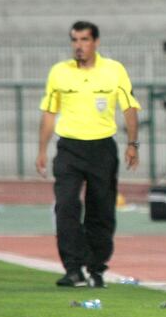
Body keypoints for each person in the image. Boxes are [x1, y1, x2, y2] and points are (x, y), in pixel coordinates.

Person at [36, 21, 141, 288]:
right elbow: (49, 112)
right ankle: (73, 269)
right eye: (74, 40)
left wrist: (132, 143)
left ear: (95, 42)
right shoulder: (59, 72)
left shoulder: (114, 70)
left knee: (101, 211)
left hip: (102, 148)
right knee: (66, 206)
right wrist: (42, 150)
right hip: (69, 148)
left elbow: (129, 107)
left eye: (84, 40)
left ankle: (96, 268)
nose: (78, 46)